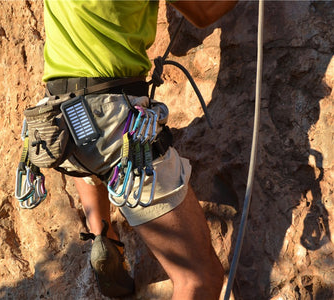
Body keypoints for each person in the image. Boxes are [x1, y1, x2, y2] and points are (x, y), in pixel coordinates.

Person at [41, 1, 237, 299]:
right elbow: (203, 12)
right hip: (111, 114)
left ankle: (103, 237)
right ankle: (104, 238)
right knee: (199, 277)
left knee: (94, 149)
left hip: (59, 118)